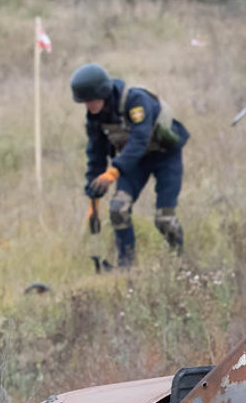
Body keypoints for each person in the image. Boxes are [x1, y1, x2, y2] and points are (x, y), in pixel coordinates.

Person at [72, 63, 188, 269]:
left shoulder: (136, 101)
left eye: (91, 100)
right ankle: (126, 267)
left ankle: (181, 264)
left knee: (165, 219)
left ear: (104, 93)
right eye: (85, 102)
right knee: (118, 209)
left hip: (165, 157)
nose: (89, 105)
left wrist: (113, 172)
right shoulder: (95, 119)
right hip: (134, 163)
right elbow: (96, 155)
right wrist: (93, 197)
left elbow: (139, 139)